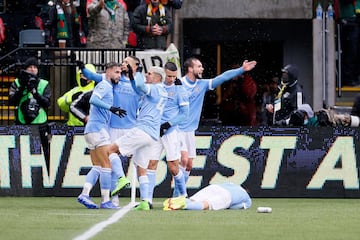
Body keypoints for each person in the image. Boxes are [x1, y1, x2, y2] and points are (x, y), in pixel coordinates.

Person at [177, 58, 257, 194]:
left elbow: (223, 77)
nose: (202, 69)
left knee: (189, 164)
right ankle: (182, 195)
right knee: (183, 160)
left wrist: (241, 70)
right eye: (199, 66)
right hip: (178, 129)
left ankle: (177, 195)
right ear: (190, 69)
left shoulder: (202, 84)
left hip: (190, 131)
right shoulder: (179, 84)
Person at [79, 56, 141, 207]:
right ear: (108, 72)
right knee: (109, 161)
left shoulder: (131, 81)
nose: (119, 75)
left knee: (98, 166)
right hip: (99, 129)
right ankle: (107, 199)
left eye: (120, 72)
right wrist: (112, 108)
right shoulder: (105, 85)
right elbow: (93, 99)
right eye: (117, 72)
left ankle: (85, 194)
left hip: (92, 130)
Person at [108, 66, 168, 211]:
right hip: (152, 135)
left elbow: (141, 85)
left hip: (142, 129)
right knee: (142, 169)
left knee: (110, 150)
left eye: (149, 73)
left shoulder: (154, 89)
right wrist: (133, 76)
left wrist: (138, 72)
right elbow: (137, 88)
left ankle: (122, 178)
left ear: (157, 77)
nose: (147, 75)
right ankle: (146, 201)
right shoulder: (163, 92)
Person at [147, 62, 189, 206]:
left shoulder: (179, 90)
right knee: (151, 164)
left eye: (174, 76)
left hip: (170, 133)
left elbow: (184, 114)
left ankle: (184, 195)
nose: (171, 79)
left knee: (173, 167)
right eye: (169, 76)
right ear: (163, 74)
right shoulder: (156, 88)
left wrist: (167, 125)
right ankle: (148, 200)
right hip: (155, 131)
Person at [163, 182, 252, 211]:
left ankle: (176, 201)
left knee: (193, 200)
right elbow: (236, 207)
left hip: (215, 187)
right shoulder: (248, 199)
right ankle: (182, 206)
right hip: (227, 196)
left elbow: (223, 183)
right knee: (205, 205)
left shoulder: (233, 184)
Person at [334, 0, 360, 86]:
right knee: (350, 51)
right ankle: (348, 78)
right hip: (348, 20)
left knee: (356, 51)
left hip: (356, 18)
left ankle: (355, 77)